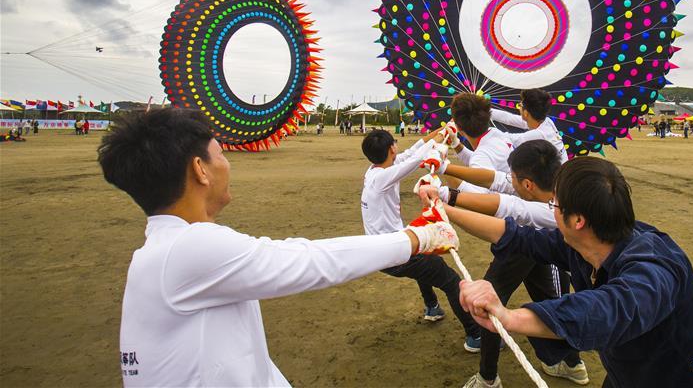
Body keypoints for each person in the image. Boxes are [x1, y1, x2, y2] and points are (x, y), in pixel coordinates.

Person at [98, 108, 460, 387]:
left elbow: (245, 360)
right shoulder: (188, 248)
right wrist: (417, 238)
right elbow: (311, 261)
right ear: (200, 170)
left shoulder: (164, 250)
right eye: (221, 154)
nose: (227, 164)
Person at [454, 157, 693, 388]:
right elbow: (518, 235)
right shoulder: (585, 242)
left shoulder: (654, 265)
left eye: (555, 205)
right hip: (633, 375)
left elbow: (609, 309)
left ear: (577, 220)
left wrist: (509, 317)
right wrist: (445, 208)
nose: (550, 211)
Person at [419, 140, 589, 387]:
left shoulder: (551, 210)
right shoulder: (553, 181)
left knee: (488, 302)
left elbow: (507, 206)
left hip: (533, 247)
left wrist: (444, 200)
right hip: (534, 244)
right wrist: (445, 169)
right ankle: (571, 363)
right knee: (545, 296)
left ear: (528, 184)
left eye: (515, 178)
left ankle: (488, 378)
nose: (510, 180)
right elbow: (496, 180)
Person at [360, 128, 483, 352]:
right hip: (394, 253)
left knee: (424, 255)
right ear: (391, 149)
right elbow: (416, 159)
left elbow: (412, 151)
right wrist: (436, 143)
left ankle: (432, 307)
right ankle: (475, 335)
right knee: (451, 280)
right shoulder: (383, 177)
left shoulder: (374, 171)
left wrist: (440, 131)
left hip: (386, 248)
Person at [489, 89, 568, 165]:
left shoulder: (538, 135)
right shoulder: (546, 121)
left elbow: (505, 138)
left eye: (520, 105)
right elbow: (508, 118)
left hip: (559, 176)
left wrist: (481, 119)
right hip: (561, 169)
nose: (519, 107)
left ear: (526, 113)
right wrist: (485, 109)